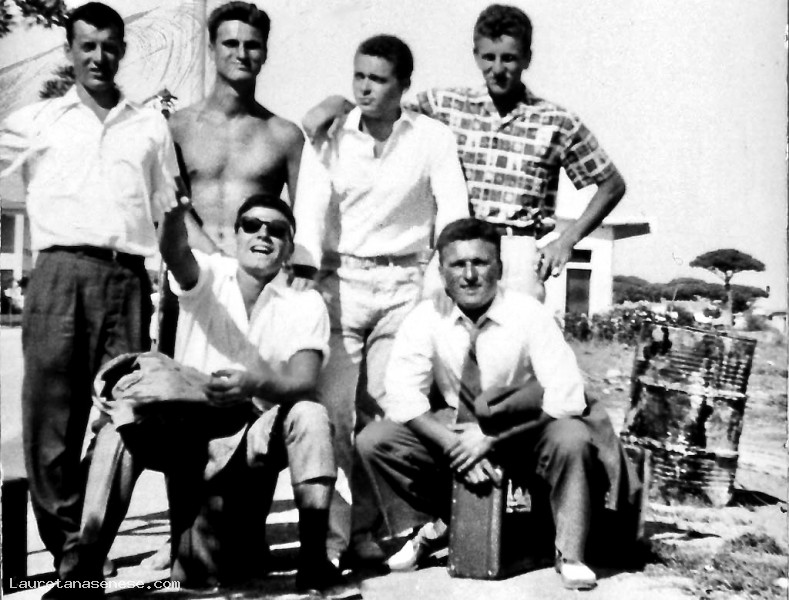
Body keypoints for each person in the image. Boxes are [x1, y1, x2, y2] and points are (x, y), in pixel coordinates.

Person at [356, 218, 639, 590]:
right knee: (376, 440)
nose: (470, 275)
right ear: (442, 273)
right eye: (458, 264)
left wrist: (492, 440)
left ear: (500, 268)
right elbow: (403, 397)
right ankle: (437, 524)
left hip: (526, 429)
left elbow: (565, 393)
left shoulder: (529, 313)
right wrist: (455, 445)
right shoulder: (426, 317)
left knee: (572, 437)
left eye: (480, 262)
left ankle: (570, 552)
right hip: (460, 429)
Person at [0, 3, 178, 595]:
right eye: (87, 46)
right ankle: (70, 553)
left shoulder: (150, 126)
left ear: (122, 50)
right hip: (57, 273)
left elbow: (169, 211)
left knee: (126, 417)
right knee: (51, 421)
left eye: (109, 46)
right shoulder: (37, 120)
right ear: (69, 52)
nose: (98, 57)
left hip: (127, 279)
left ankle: (87, 546)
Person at [303, 4, 626, 301]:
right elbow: (384, 111)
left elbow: (611, 184)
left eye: (509, 58)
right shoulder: (445, 105)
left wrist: (567, 240)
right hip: (459, 247)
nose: (497, 69)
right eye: (488, 57)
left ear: (527, 58)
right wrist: (336, 104)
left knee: (514, 339)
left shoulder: (556, 121)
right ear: (475, 56)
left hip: (517, 252)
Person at [291, 35, 469, 566]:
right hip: (341, 283)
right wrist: (303, 275)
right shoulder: (331, 135)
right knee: (334, 413)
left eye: (379, 79)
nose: (365, 88)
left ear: (404, 85)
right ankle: (331, 540)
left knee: (387, 410)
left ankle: (368, 531)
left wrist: (443, 280)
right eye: (359, 76)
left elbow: (453, 208)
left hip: (404, 286)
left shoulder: (432, 137)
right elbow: (310, 207)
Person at [107, 194, 345, 593]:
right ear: (237, 236)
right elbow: (175, 251)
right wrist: (174, 214)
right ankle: (82, 567)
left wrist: (253, 383)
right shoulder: (209, 275)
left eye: (277, 230)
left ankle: (313, 560)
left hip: (252, 442)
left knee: (310, 413)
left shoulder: (305, 302)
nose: (263, 234)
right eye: (252, 225)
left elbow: (303, 381)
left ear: (289, 247)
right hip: (189, 440)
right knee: (120, 426)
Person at [168, 1, 306, 257]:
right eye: (230, 43)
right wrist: (213, 261)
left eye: (252, 45)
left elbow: (305, 219)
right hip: (192, 267)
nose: (241, 54)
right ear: (211, 49)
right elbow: (171, 208)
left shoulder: (286, 136)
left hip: (255, 268)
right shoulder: (179, 127)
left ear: (265, 53)